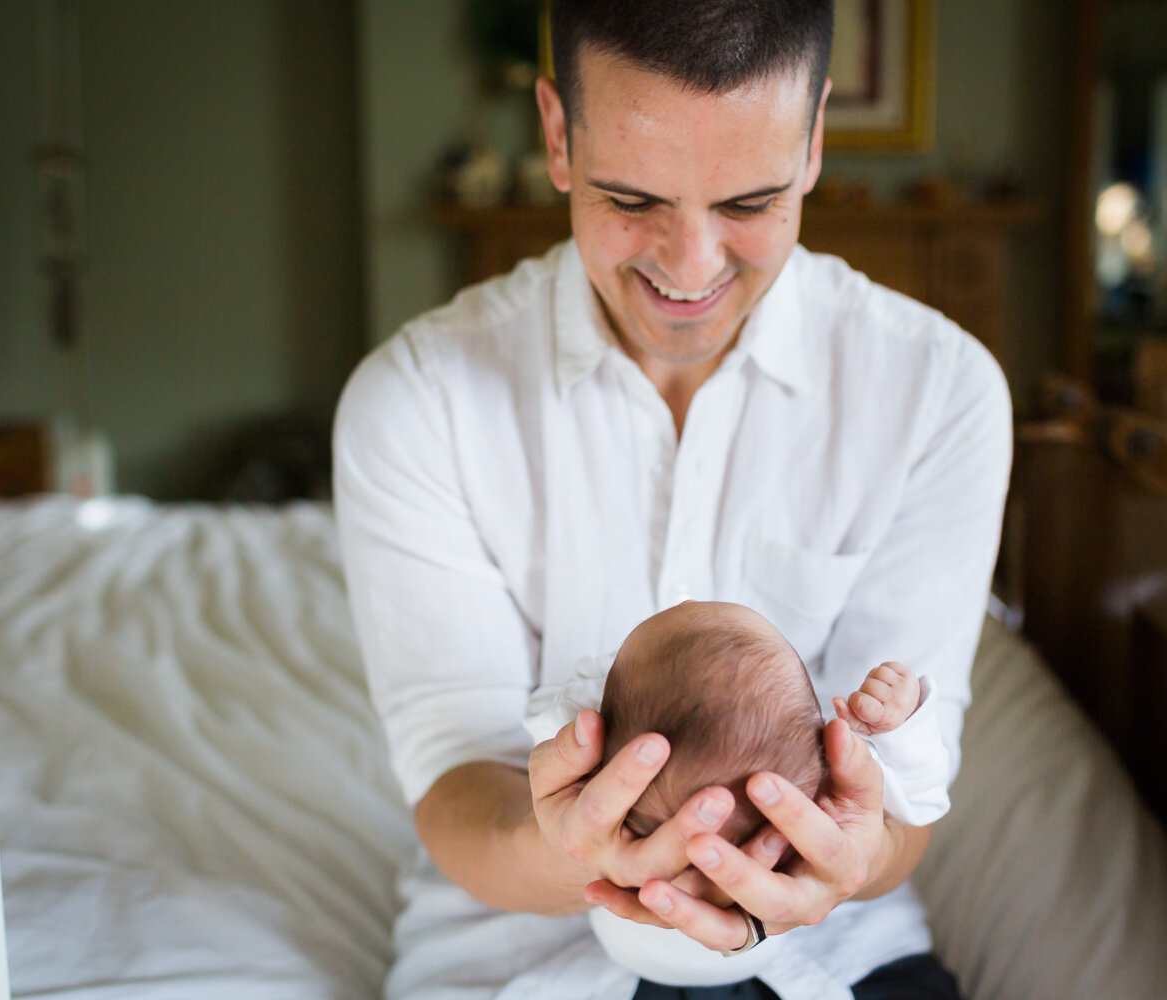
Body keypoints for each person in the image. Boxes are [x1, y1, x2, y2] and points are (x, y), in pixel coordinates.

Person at [332, 0, 1011, 997]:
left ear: (814, 140)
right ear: (559, 136)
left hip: (834, 955)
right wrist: (583, 854)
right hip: (516, 959)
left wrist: (850, 859)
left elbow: (907, 798)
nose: (690, 269)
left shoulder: (938, 394)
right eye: (632, 198)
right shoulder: (416, 403)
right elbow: (454, 780)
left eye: (747, 203)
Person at [522, 600, 949, 988]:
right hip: (776, 950)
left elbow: (544, 713)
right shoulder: (822, 787)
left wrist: (595, 689)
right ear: (816, 735)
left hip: (621, 949)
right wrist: (897, 729)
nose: (688, 600)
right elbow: (923, 798)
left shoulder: (602, 774)